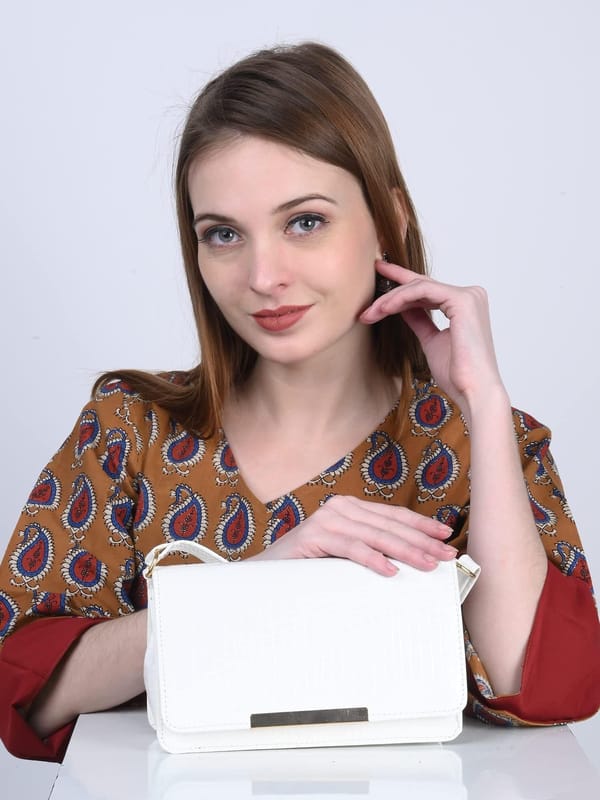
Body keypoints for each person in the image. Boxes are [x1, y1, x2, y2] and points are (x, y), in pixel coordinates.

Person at [0, 41, 598, 763]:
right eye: (224, 234)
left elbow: (538, 688)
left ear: (388, 220)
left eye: (304, 221)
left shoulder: (482, 446)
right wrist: (247, 590)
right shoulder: (129, 429)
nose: (263, 276)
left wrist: (484, 399)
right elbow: (24, 689)